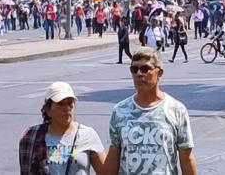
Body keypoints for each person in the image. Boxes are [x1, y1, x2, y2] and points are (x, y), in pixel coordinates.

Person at [103, 47, 197, 175]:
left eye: (145, 69)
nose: (139, 74)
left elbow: (186, 160)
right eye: (134, 69)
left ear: (159, 73)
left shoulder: (176, 110)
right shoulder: (120, 111)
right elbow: (113, 157)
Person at [19, 81, 106, 174]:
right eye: (60, 104)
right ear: (48, 110)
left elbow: (106, 172)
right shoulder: (31, 136)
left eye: (70, 103)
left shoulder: (88, 135)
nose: (66, 108)